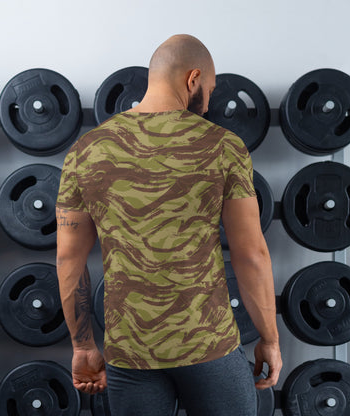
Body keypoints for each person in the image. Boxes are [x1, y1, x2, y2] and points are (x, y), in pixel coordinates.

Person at [56, 34, 282, 416]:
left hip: (130, 351)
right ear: (193, 79)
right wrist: (270, 339)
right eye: (209, 90)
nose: (207, 103)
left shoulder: (85, 151)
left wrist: (82, 346)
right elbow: (251, 254)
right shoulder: (223, 146)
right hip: (208, 345)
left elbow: (68, 260)